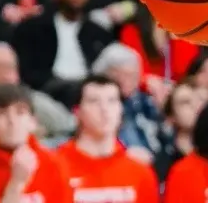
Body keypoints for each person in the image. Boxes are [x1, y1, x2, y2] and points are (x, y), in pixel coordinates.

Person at [56, 75, 159, 203]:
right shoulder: (55, 167)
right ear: (77, 112)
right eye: (93, 101)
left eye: (112, 101)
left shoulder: (140, 171)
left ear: (121, 110)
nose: (104, 109)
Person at [0, 83, 70, 203]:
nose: (12, 121)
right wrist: (17, 184)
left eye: (20, 112)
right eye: (2, 113)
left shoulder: (53, 164)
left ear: (33, 122)